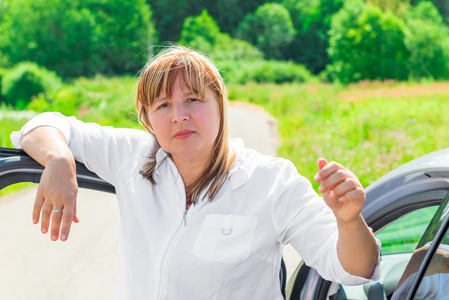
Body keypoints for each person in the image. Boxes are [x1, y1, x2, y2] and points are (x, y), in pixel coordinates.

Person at [11, 46, 380, 299]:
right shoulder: (133, 157)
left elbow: (352, 269)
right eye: (163, 105)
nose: (179, 116)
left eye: (193, 99)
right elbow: (40, 125)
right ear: (147, 118)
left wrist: (348, 222)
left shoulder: (273, 182)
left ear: (220, 102)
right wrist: (60, 160)